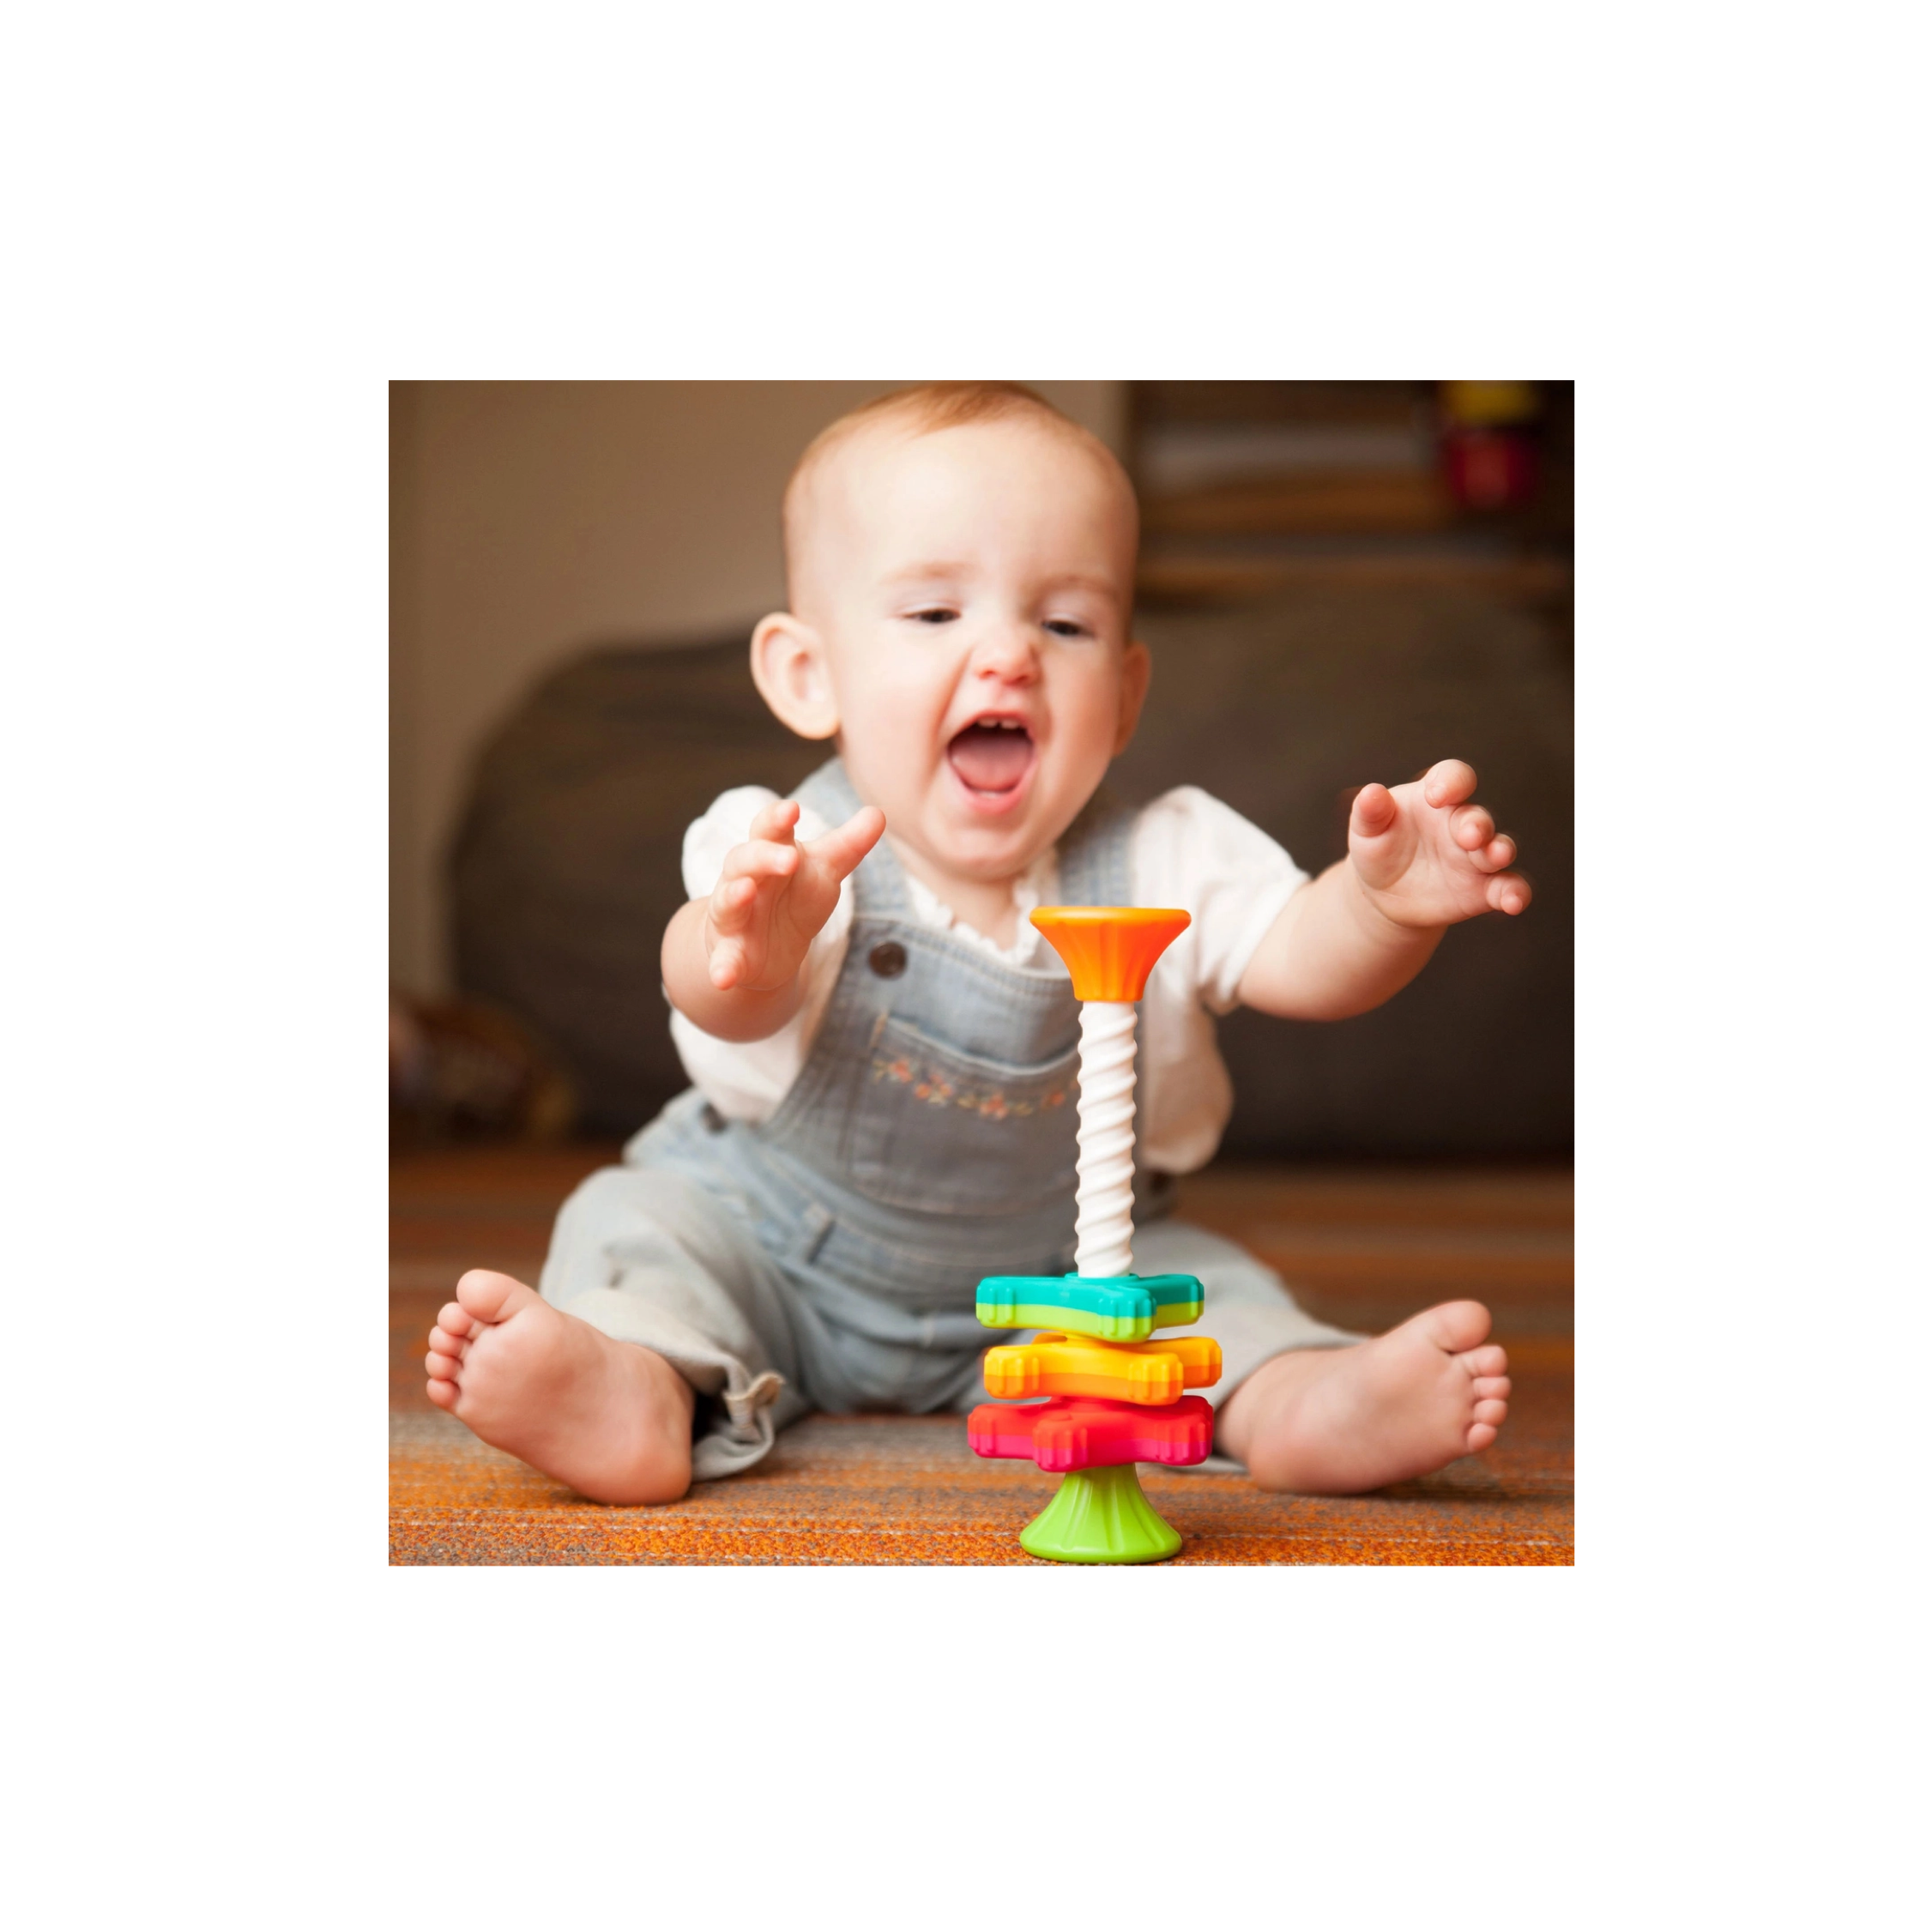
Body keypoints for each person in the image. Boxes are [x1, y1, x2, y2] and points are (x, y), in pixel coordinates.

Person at [424, 383, 1526, 1506]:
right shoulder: (784, 845)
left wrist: (1381, 908)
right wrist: (747, 944)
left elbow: (1299, 958)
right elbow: (719, 999)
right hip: (772, 1249)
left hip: (1070, 1275)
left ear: (1125, 695)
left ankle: (1301, 1400)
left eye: (1066, 624)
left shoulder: (1167, 854)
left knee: (1199, 1289)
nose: (1009, 654)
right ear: (810, 675)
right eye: (935, 614)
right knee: (635, 1226)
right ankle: (637, 1386)